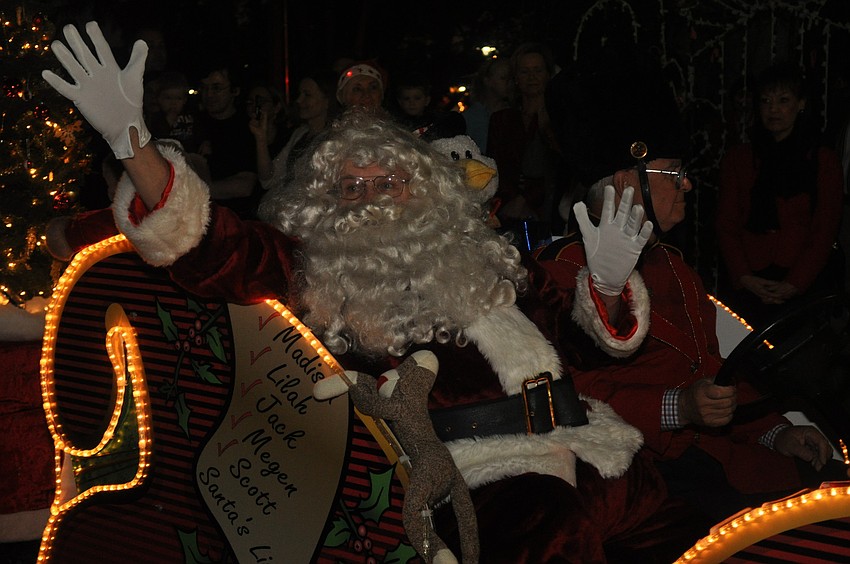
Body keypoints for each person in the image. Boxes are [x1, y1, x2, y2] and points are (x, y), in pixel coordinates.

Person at [43, 21, 705, 563]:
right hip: (478, 478)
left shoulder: (484, 260)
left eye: (386, 183)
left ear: (424, 191)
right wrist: (131, 141)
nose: (369, 201)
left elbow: (584, 350)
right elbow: (215, 247)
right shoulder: (312, 270)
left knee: (699, 533)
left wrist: (610, 283)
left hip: (598, 448)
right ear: (319, 209)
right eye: (349, 189)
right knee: (554, 533)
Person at [540, 59, 842, 529]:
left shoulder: (675, 266)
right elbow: (569, 396)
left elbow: (716, 375)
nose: (687, 184)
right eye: (674, 173)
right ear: (625, 182)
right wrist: (677, 406)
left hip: (720, 459)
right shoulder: (557, 273)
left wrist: (776, 432)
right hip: (645, 477)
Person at [716, 63, 845, 329]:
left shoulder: (822, 160)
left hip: (802, 279)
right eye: (766, 101)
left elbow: (825, 228)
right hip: (750, 278)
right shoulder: (739, 158)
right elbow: (726, 223)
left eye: (783, 100)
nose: (773, 109)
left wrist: (794, 283)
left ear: (800, 104)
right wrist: (743, 277)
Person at [487, 42, 562, 243]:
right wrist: (510, 202)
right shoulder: (501, 120)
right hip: (505, 212)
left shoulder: (561, 119)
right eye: (525, 71)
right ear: (516, 78)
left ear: (547, 74)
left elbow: (558, 168)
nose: (532, 77)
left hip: (549, 212)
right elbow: (494, 166)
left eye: (537, 70)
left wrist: (527, 200)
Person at [251, 70, 340, 192]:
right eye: (299, 94)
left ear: (327, 101)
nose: (298, 100)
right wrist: (260, 138)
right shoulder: (300, 134)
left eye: (307, 95)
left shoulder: (336, 139)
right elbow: (269, 179)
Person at [193, 57, 260, 218]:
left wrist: (198, 190)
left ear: (234, 91)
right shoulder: (193, 123)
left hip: (234, 219)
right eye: (205, 88)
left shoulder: (248, 128)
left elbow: (244, 186)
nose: (209, 94)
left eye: (216, 88)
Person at [391, 71, 466, 142]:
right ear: (400, 101)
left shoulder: (435, 122)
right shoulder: (395, 124)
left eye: (417, 98)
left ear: (427, 100)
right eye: (406, 99)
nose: (412, 103)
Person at [462, 57, 511, 154]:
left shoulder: (513, 113)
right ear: (487, 81)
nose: (509, 83)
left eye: (511, 78)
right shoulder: (472, 117)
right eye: (503, 78)